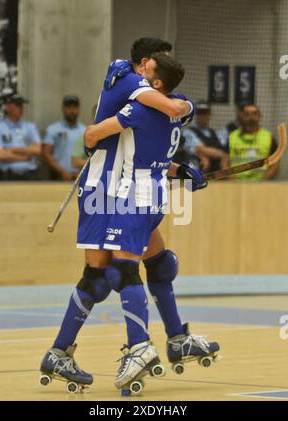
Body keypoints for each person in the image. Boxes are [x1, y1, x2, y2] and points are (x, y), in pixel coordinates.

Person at [39, 37, 196, 389]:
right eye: (158, 60)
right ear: (143, 63)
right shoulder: (128, 78)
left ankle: (174, 338)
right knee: (101, 276)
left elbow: (149, 138)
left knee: (156, 263)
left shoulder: (150, 91)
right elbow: (169, 109)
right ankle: (66, 351)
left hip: (126, 187)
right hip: (103, 187)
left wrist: (176, 167)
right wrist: (183, 104)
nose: (162, 65)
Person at [84, 53, 219, 390]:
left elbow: (94, 135)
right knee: (159, 264)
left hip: (134, 195)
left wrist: (95, 129)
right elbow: (161, 146)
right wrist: (183, 169)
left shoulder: (141, 107)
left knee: (122, 270)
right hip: (156, 193)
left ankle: (140, 347)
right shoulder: (179, 103)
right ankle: (177, 339)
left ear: (156, 82)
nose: (139, 72)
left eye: (146, 69)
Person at [0, 94, 41, 181]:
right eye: (17, 105)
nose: (21, 108)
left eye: (21, 105)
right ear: (7, 107)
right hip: (7, 175)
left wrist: (11, 150)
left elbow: (37, 149)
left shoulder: (30, 127)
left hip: (30, 174)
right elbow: (0, 155)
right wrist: (24, 158)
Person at [228, 103, 279, 180]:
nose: (250, 117)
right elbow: (224, 161)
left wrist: (262, 182)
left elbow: (275, 163)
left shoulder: (269, 137)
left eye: (254, 113)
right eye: (247, 114)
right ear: (241, 116)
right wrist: (233, 181)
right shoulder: (232, 136)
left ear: (259, 116)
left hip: (261, 185)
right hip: (236, 185)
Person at [43, 96, 86, 181]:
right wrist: (63, 172)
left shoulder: (85, 130)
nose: (72, 111)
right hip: (58, 176)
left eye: (75, 107)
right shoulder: (53, 129)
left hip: (80, 177)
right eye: (69, 108)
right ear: (63, 109)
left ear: (79, 109)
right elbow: (46, 154)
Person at [182, 101, 229, 173]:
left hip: (216, 174)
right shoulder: (189, 132)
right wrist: (222, 155)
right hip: (197, 171)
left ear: (210, 115)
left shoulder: (213, 133)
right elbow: (200, 149)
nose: (203, 116)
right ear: (196, 115)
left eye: (205, 113)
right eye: (200, 113)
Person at [71, 105, 97, 171]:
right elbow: (74, 161)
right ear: (93, 117)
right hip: (91, 176)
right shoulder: (86, 135)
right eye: (95, 115)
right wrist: (97, 164)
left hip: (113, 174)